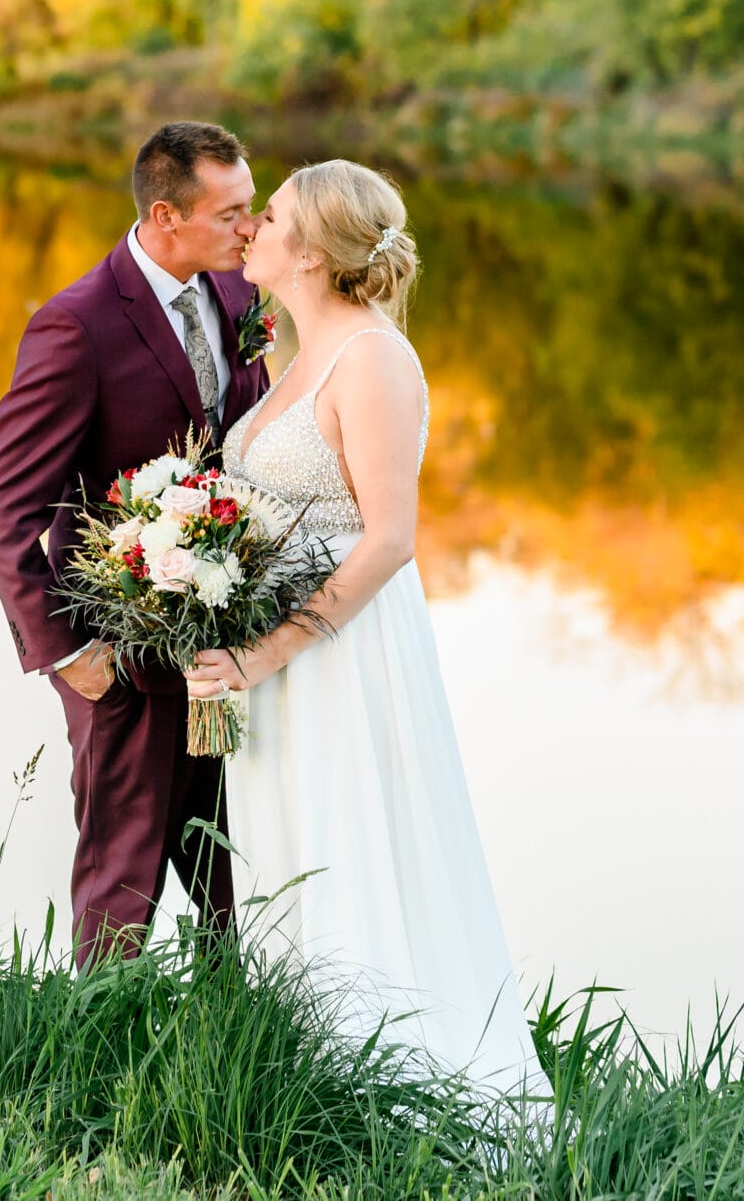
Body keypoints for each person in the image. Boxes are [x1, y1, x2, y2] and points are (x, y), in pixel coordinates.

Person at [187, 160, 545, 1098]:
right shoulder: (291, 351)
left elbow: (387, 540)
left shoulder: (375, 359)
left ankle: (390, 1078)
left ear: (307, 252)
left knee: (354, 838)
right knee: (291, 843)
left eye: (269, 218)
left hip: (339, 655)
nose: (251, 229)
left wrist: (265, 651)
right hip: (275, 656)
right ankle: (304, 1076)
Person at [0, 121, 270, 959]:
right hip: (120, 660)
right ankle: (93, 1061)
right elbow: (1, 505)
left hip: (222, 645)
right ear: (167, 215)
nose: (251, 230)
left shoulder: (240, 294)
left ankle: (236, 1038)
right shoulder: (77, 325)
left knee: (230, 868)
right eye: (233, 213)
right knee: (122, 879)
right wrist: (67, 654)